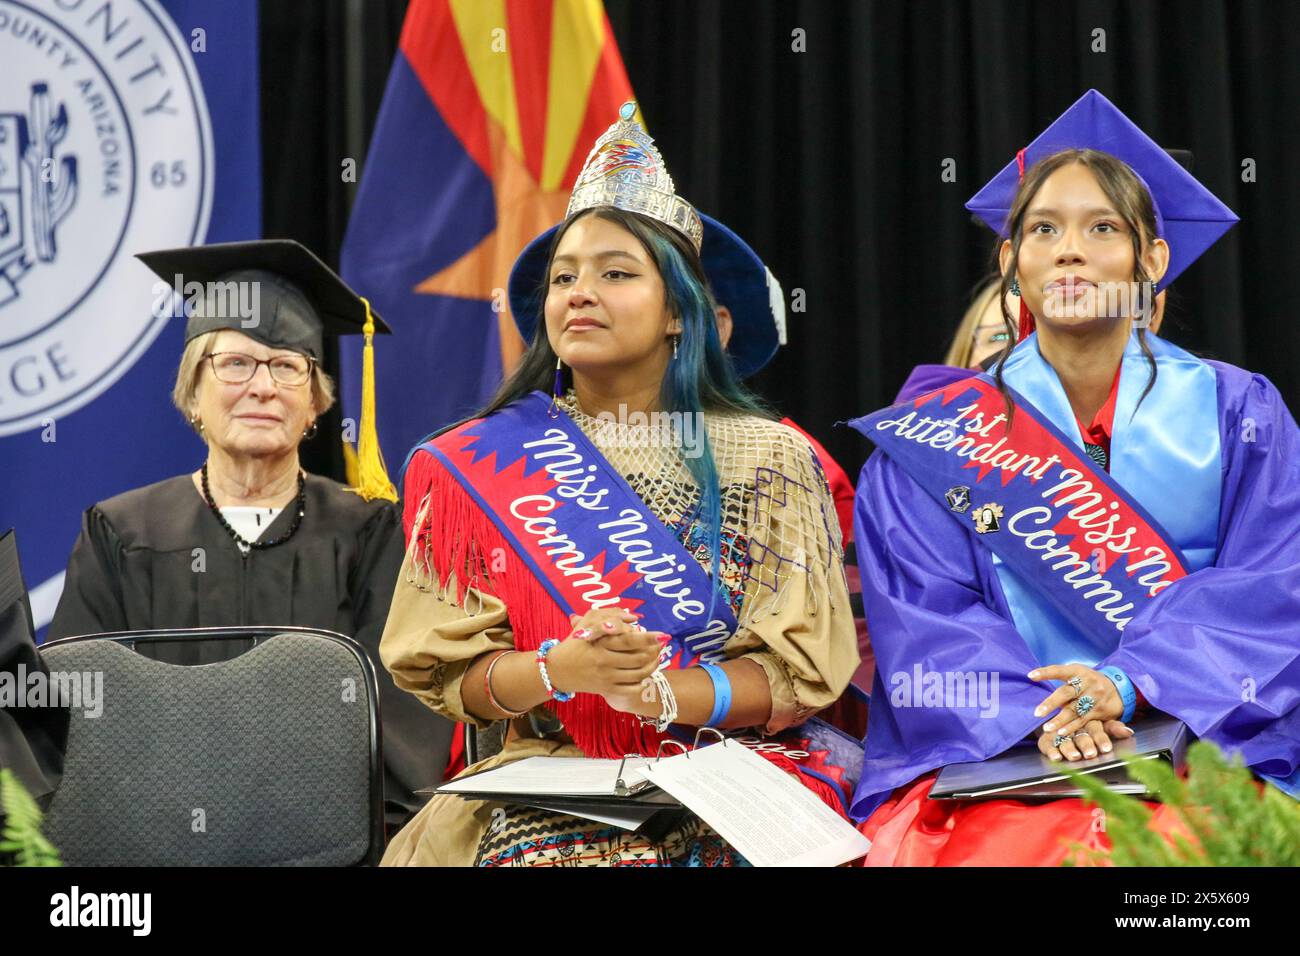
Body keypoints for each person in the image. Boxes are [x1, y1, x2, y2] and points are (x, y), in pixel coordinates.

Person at [379, 102, 860, 866]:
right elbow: (449, 675)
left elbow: (796, 679)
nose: (579, 291)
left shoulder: (770, 459)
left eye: (616, 273)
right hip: (554, 773)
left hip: (734, 769)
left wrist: (661, 694)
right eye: (564, 276)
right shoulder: (477, 464)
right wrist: (558, 671)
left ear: (680, 312)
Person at [848, 89, 1299, 865]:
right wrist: (1051, 711)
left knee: (1191, 851)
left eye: (1103, 229)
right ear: (1010, 262)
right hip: (1002, 750)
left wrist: (1128, 684)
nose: (1068, 250)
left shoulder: (1240, 412)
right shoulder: (935, 434)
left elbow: (1275, 580)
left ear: (1152, 260)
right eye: (1043, 229)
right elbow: (926, 617)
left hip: (1210, 735)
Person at [47, 239, 454, 825]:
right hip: (153, 838)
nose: (262, 387)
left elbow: (402, 706)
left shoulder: (368, 533)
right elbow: (81, 704)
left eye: (288, 367)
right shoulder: (121, 533)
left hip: (330, 841)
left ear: (315, 403)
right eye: (235, 363)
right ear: (194, 393)